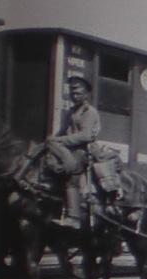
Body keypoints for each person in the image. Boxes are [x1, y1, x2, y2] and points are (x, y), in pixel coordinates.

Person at [46, 76, 101, 229]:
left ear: (86, 94)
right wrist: (53, 139)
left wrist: (61, 141)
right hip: (68, 150)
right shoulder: (70, 112)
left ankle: (74, 217)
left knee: (71, 173)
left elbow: (85, 136)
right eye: (72, 91)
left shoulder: (90, 112)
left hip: (84, 150)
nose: (74, 95)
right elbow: (61, 131)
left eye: (78, 92)